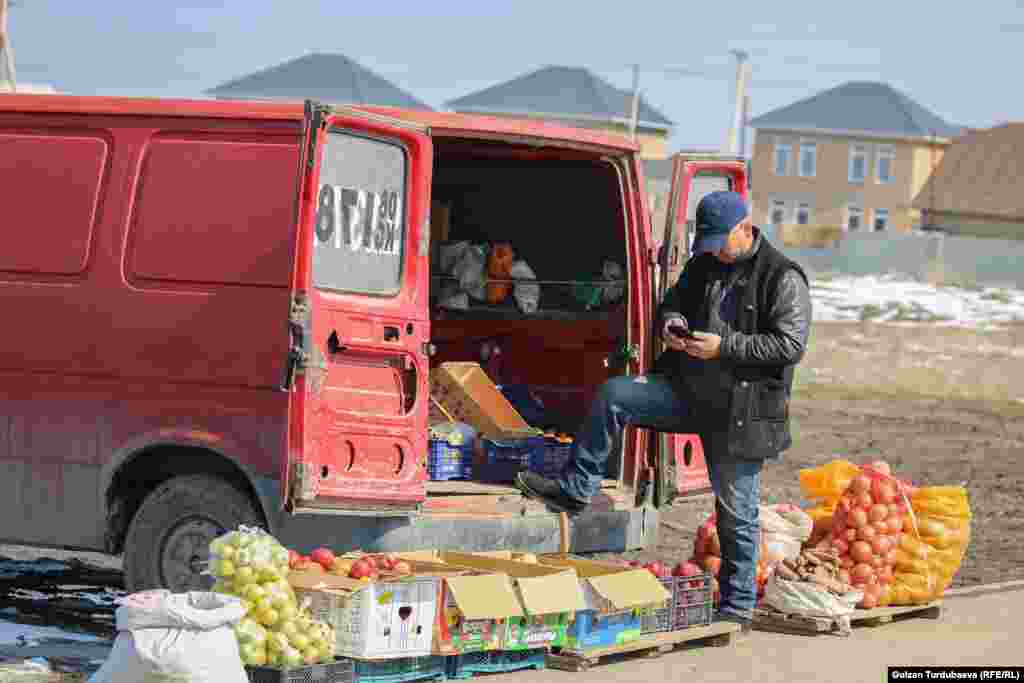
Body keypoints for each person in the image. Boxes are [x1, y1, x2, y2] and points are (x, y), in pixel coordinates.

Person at [515, 190, 812, 629]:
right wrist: (671, 324)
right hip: (686, 393)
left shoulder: (783, 276)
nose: (712, 251)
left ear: (745, 229)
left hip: (740, 412)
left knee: (736, 512)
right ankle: (578, 488)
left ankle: (737, 607)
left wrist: (724, 347)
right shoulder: (704, 265)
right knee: (615, 394)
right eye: (706, 243)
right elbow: (671, 303)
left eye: (718, 242)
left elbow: (789, 345)